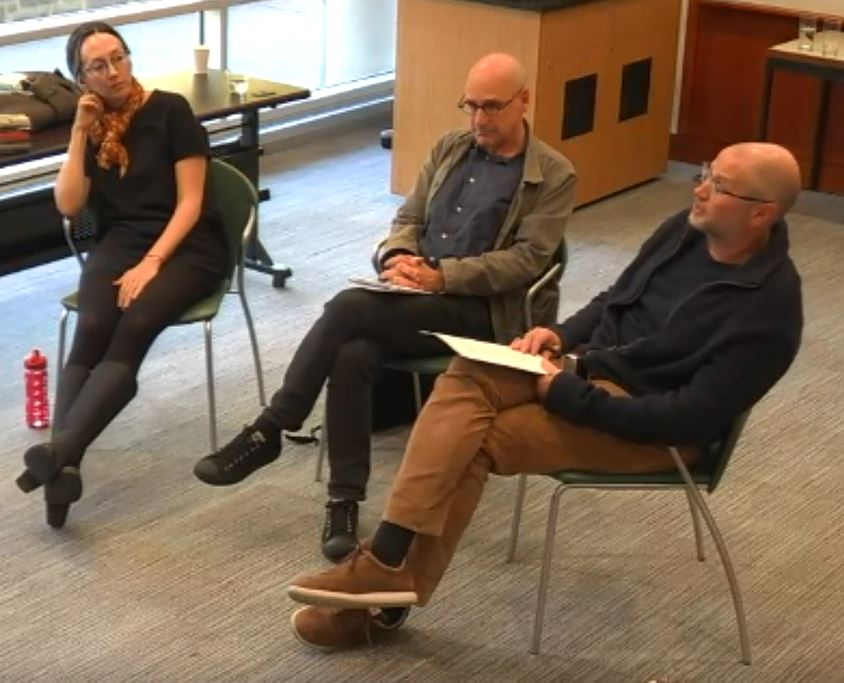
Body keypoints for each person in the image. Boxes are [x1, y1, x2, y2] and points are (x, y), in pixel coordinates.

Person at [284, 142, 804, 649]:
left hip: (649, 425)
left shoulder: (768, 313)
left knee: (479, 437)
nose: (701, 188)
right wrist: (562, 337)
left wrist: (571, 396)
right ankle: (388, 566)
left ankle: (381, 595)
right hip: (586, 370)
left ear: (762, 214)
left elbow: (685, 419)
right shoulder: (684, 232)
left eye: (720, 184)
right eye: (706, 172)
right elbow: (611, 301)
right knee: (471, 368)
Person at [193, 53, 577, 562]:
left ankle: (273, 426)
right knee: (353, 352)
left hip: (486, 314)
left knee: (349, 308)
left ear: (524, 102)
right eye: (471, 106)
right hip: (418, 297)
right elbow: (409, 217)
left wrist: (442, 277)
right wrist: (398, 257)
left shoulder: (553, 174)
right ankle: (343, 502)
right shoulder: (450, 148)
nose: (479, 119)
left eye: (492, 107)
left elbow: (526, 261)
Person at [15, 21, 228, 529]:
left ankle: (60, 452)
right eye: (99, 66)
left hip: (187, 244)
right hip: (122, 241)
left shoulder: (170, 110)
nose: (115, 73)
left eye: (120, 58)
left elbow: (193, 202)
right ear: (81, 78)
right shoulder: (92, 124)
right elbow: (70, 206)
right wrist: (77, 132)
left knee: (132, 325)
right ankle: (62, 469)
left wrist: (152, 262)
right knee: (90, 328)